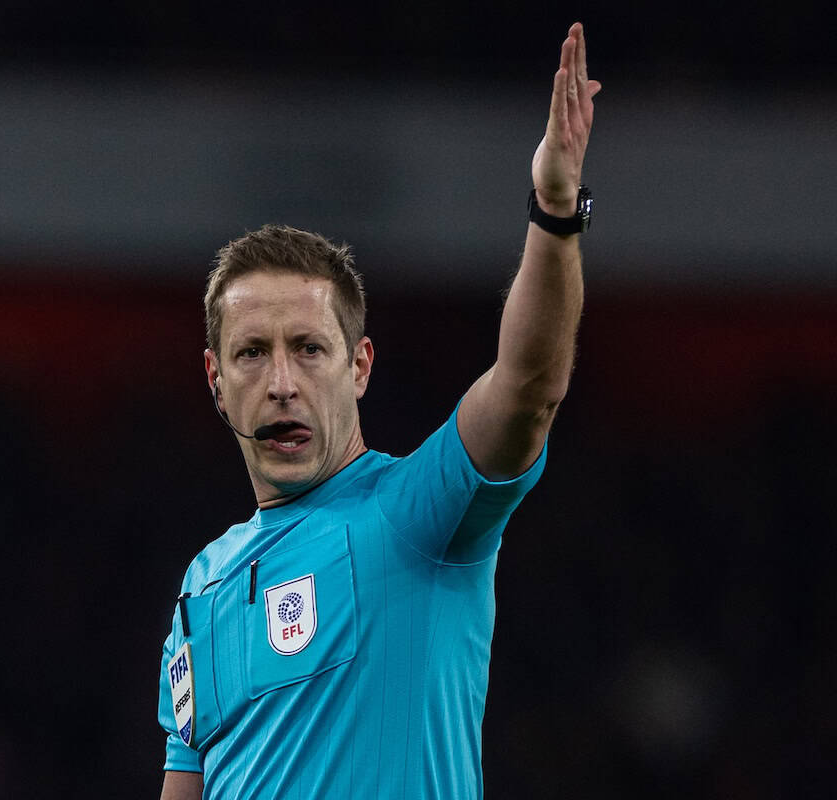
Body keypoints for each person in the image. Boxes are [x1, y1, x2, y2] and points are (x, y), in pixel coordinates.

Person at [157, 22, 601, 800]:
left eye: (310, 348)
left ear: (360, 367)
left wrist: (555, 212)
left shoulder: (415, 515)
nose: (282, 382)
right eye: (252, 353)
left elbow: (529, 386)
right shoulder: (204, 583)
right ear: (214, 379)